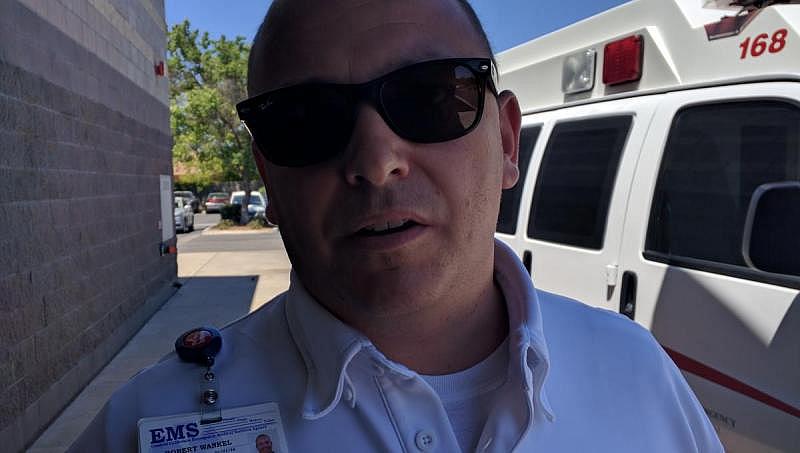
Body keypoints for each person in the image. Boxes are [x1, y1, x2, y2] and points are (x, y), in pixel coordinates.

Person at [71, 0, 723, 451]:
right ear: (267, 178)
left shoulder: (639, 374)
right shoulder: (145, 421)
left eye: (430, 97)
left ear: (505, 140)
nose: (377, 161)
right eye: (306, 118)